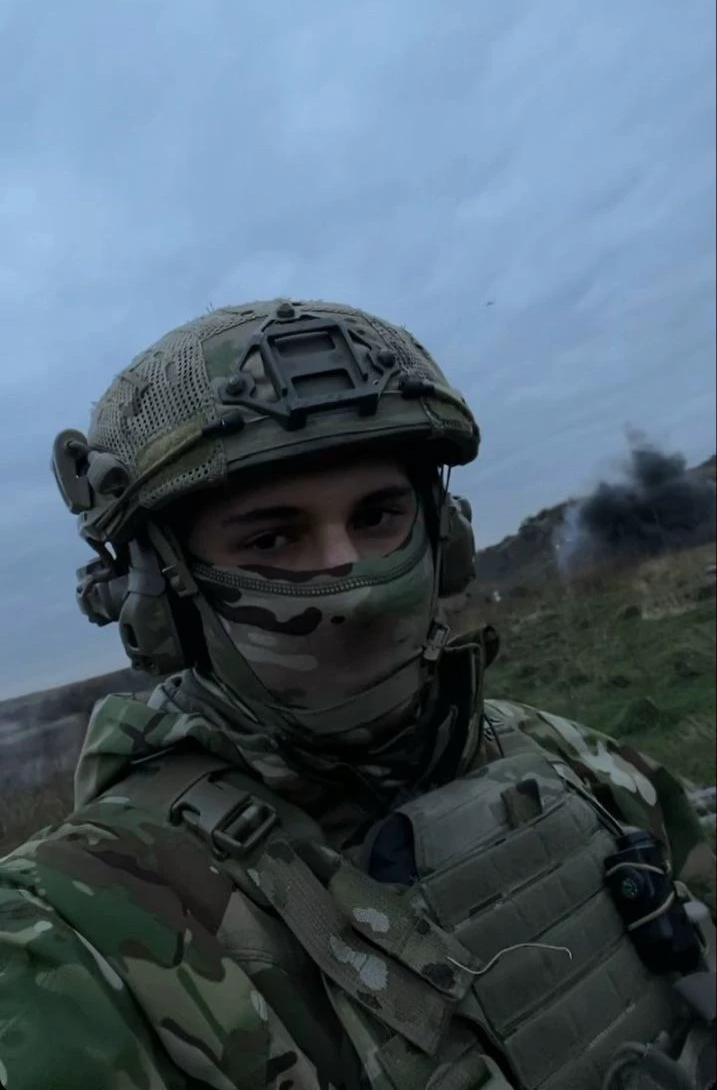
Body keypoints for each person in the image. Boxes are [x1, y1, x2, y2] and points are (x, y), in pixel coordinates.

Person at [0, 299, 714, 1090]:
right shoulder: (71, 938)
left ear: (444, 535)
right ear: (160, 595)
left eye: (378, 516)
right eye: (272, 538)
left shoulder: (570, 760)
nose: (354, 588)